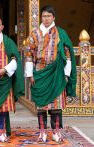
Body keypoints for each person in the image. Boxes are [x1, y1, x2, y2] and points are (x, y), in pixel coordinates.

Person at [24, 5, 77, 143]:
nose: (46, 19)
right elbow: (29, 54)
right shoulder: (34, 33)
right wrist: (30, 74)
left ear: (53, 17)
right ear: (41, 18)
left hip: (57, 74)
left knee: (56, 106)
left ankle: (56, 132)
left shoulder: (61, 33)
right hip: (40, 73)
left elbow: (67, 55)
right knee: (41, 106)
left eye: (49, 16)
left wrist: (66, 74)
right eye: (44, 16)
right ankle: (42, 132)